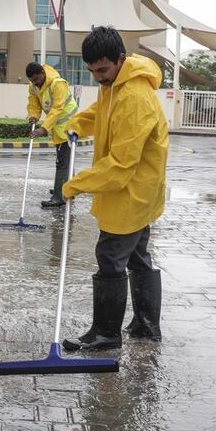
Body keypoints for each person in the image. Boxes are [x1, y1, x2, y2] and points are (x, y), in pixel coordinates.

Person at [60, 26, 169, 351]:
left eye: (103, 70)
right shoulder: (116, 86)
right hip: (139, 191)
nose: (98, 78)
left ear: (121, 59)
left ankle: (107, 333)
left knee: (110, 256)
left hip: (131, 192)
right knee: (137, 257)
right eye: (92, 71)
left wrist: (74, 185)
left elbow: (120, 167)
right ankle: (146, 325)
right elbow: (102, 113)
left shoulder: (135, 98)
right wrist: (80, 122)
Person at [25, 62, 78, 208]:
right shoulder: (34, 86)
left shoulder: (57, 83)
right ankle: (67, 188)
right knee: (67, 159)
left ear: (43, 72)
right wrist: (33, 116)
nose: (35, 82)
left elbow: (57, 109)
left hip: (68, 123)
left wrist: (44, 128)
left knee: (63, 161)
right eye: (32, 80)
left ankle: (59, 196)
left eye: (37, 79)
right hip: (57, 124)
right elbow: (34, 103)